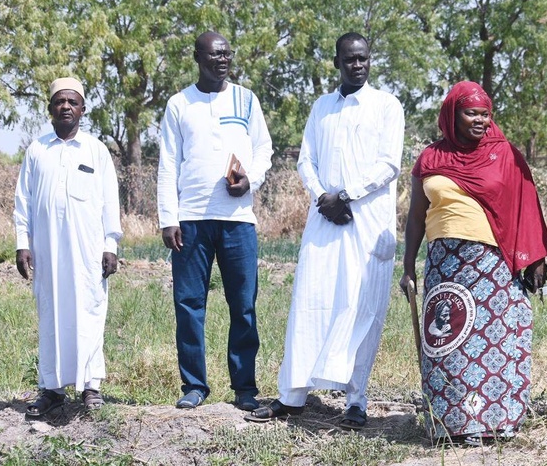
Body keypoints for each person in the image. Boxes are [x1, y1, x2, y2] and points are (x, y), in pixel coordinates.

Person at [245, 32, 404, 429]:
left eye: (363, 58)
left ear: (370, 60)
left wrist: (346, 196)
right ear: (336, 62)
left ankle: (356, 401)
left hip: (366, 225)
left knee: (361, 307)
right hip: (324, 220)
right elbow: (306, 161)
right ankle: (292, 396)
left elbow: (388, 165)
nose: (357, 65)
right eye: (349, 59)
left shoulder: (387, 105)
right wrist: (324, 198)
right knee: (310, 304)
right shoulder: (322, 106)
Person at [399, 81, 547, 444]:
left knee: (493, 343)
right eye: (471, 113)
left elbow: (525, 205)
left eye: (485, 114)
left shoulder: (505, 154)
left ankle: (495, 422)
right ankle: (450, 424)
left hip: (491, 264)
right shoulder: (431, 159)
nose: (480, 120)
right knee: (448, 343)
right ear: (452, 115)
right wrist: (407, 267)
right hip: (444, 264)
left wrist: (535, 260)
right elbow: (416, 218)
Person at [157, 31, 273, 411]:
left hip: (238, 219)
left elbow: (263, 148)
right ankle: (194, 385)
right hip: (190, 219)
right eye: (213, 55)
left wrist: (250, 179)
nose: (221, 60)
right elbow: (168, 162)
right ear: (197, 57)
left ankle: (244, 388)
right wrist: (167, 217)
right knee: (189, 302)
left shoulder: (246, 98)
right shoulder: (179, 104)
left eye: (226, 54)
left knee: (243, 303)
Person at [14, 77, 122, 416]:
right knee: (51, 314)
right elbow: (23, 202)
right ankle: (52, 388)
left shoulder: (96, 150)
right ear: (49, 110)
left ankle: (91, 387)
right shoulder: (37, 150)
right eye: (59, 101)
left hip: (88, 251)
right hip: (46, 251)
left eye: (72, 102)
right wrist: (22, 243)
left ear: (82, 109)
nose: (65, 106)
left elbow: (109, 202)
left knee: (90, 311)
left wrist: (111, 244)